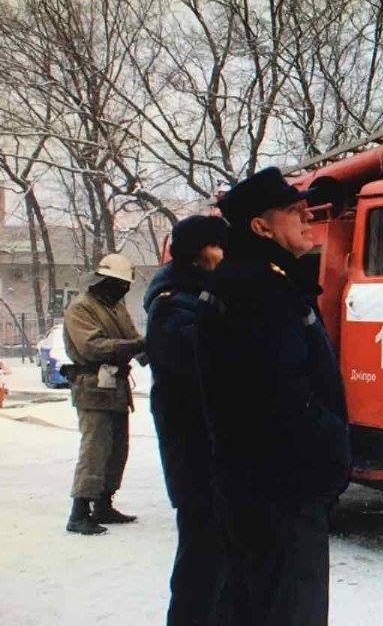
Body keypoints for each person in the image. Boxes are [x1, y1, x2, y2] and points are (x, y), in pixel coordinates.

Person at [196, 167, 351, 626]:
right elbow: (282, 398)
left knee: (251, 602)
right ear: (260, 227)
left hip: (263, 486)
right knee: (285, 609)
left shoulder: (263, 280)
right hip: (280, 489)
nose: (307, 217)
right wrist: (330, 450)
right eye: (292, 210)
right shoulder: (258, 289)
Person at [145, 215, 228, 626]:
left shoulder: (196, 297)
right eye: (219, 247)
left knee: (217, 560)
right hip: (195, 456)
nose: (225, 256)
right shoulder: (172, 307)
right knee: (201, 560)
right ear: (199, 256)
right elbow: (206, 363)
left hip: (210, 454)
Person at [63, 253, 146, 535]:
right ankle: (79, 510)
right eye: (120, 284)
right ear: (105, 281)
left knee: (117, 448)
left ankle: (103, 503)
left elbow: (133, 337)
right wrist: (132, 346)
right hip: (92, 384)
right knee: (95, 448)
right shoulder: (82, 308)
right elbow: (92, 346)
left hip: (115, 387)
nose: (123, 290)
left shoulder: (115, 306)